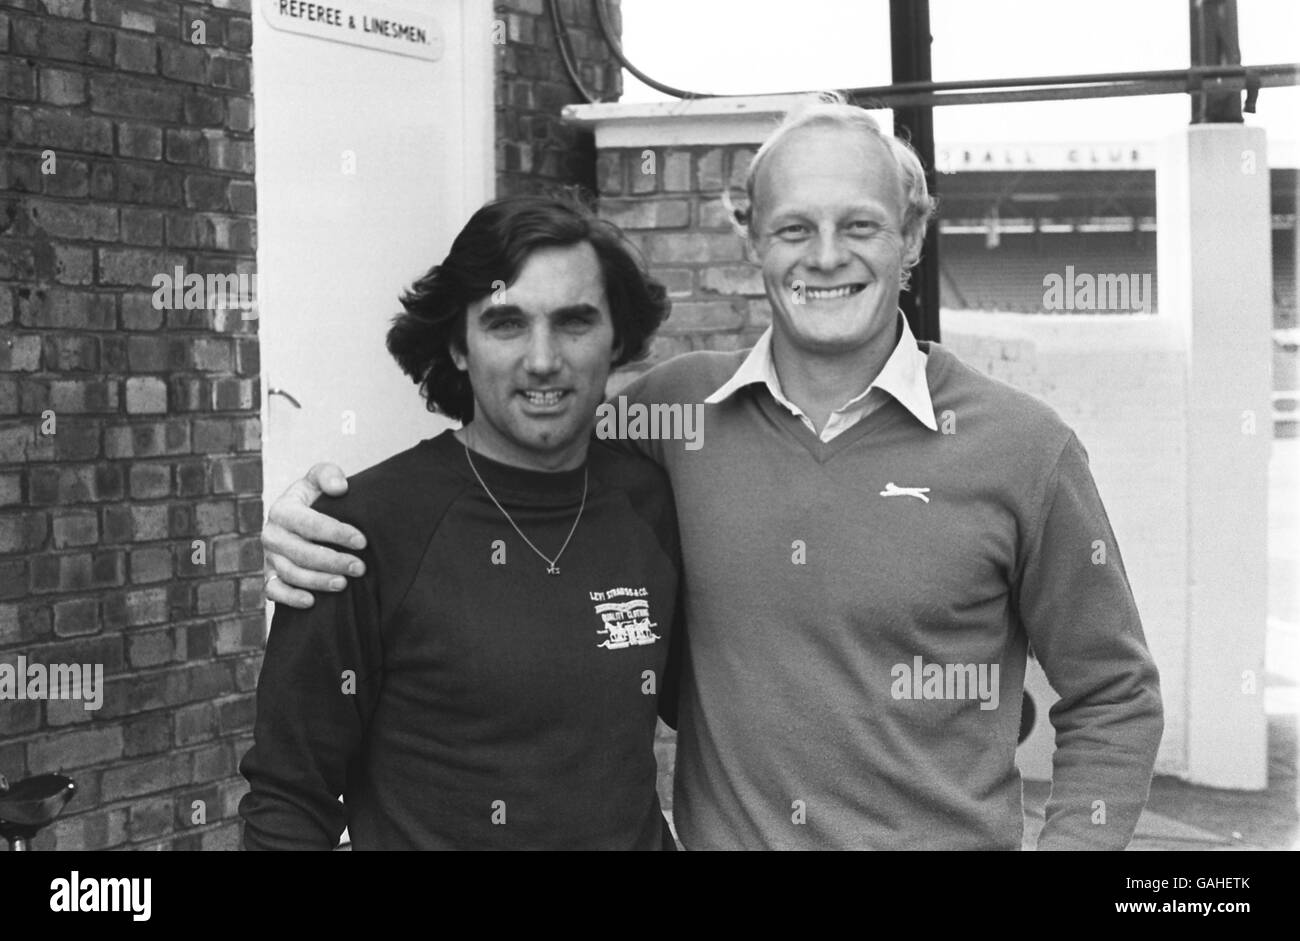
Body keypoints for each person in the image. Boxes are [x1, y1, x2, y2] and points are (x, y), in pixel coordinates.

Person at [260, 95, 1164, 850]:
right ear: (751, 240)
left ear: (914, 235)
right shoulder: (671, 419)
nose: (824, 257)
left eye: (860, 225)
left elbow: (1114, 693)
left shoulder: (1023, 448)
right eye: (793, 228)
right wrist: (306, 515)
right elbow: (510, 449)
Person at [239, 195, 682, 850]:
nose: (542, 358)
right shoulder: (357, 533)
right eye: (506, 323)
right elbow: (288, 797)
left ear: (616, 338)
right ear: (458, 344)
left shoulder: (655, 501)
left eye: (574, 321)